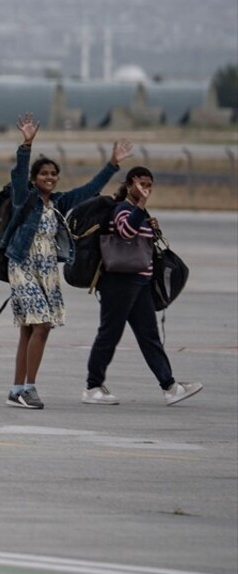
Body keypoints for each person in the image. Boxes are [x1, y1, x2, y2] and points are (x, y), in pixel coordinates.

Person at [0, 113, 130, 409]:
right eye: (44, 174)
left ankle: (16, 389)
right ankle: (29, 389)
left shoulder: (58, 202)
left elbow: (88, 191)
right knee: (42, 325)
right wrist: (27, 145)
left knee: (29, 329)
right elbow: (18, 176)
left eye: (53, 174)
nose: (49, 178)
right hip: (22, 265)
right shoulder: (25, 198)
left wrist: (112, 164)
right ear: (35, 179)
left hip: (47, 270)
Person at [83, 167, 203, 406]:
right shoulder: (122, 209)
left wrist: (150, 225)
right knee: (109, 334)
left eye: (149, 185)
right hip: (119, 282)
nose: (145, 189)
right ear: (129, 185)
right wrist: (141, 207)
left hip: (139, 282)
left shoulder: (140, 212)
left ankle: (169, 386)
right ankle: (92, 387)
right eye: (140, 184)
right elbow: (126, 232)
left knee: (149, 336)